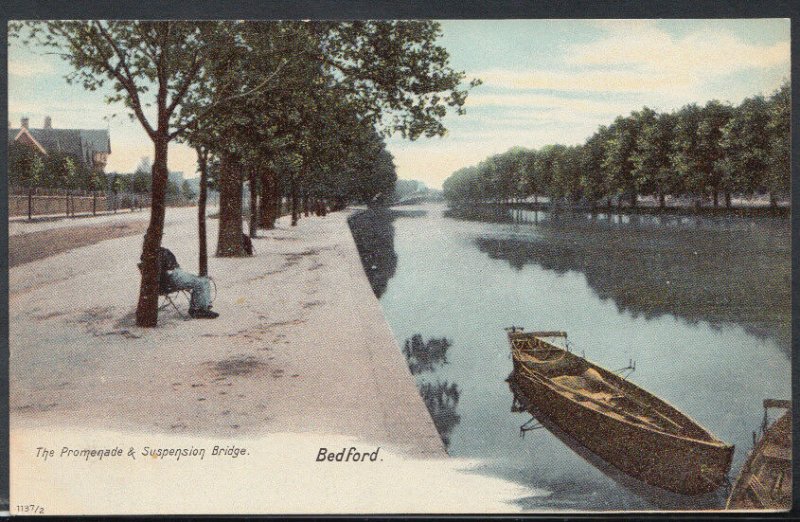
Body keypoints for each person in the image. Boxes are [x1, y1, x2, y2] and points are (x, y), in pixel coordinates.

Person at [140, 246, 219, 319]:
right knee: (200, 282)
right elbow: (164, 273)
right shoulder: (152, 256)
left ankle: (202, 307)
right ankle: (199, 310)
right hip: (171, 278)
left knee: (204, 280)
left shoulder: (157, 252)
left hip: (175, 274)